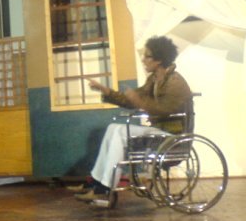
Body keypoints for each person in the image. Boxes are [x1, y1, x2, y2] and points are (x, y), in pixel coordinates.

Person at [72, 36, 193, 202]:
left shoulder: (175, 82)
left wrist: (139, 102)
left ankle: (105, 188)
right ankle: (96, 182)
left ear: (158, 60)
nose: (143, 60)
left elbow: (164, 109)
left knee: (121, 132)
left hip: (172, 137)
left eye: (147, 56)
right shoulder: (154, 80)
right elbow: (131, 100)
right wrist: (105, 91)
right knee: (113, 127)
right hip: (158, 132)